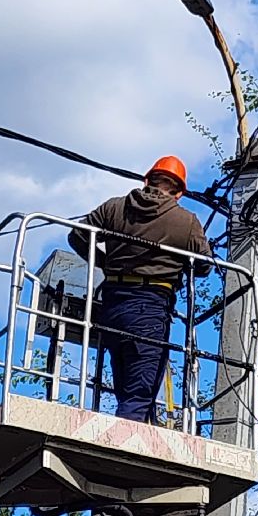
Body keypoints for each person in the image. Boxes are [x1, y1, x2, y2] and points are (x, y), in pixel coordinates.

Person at [67, 156, 210, 424]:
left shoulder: (114, 207)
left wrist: (105, 263)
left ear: (147, 180)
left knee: (126, 387)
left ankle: (142, 429)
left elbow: (77, 236)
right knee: (140, 391)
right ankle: (122, 443)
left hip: (112, 306)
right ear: (179, 192)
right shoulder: (186, 221)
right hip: (150, 307)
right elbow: (203, 267)